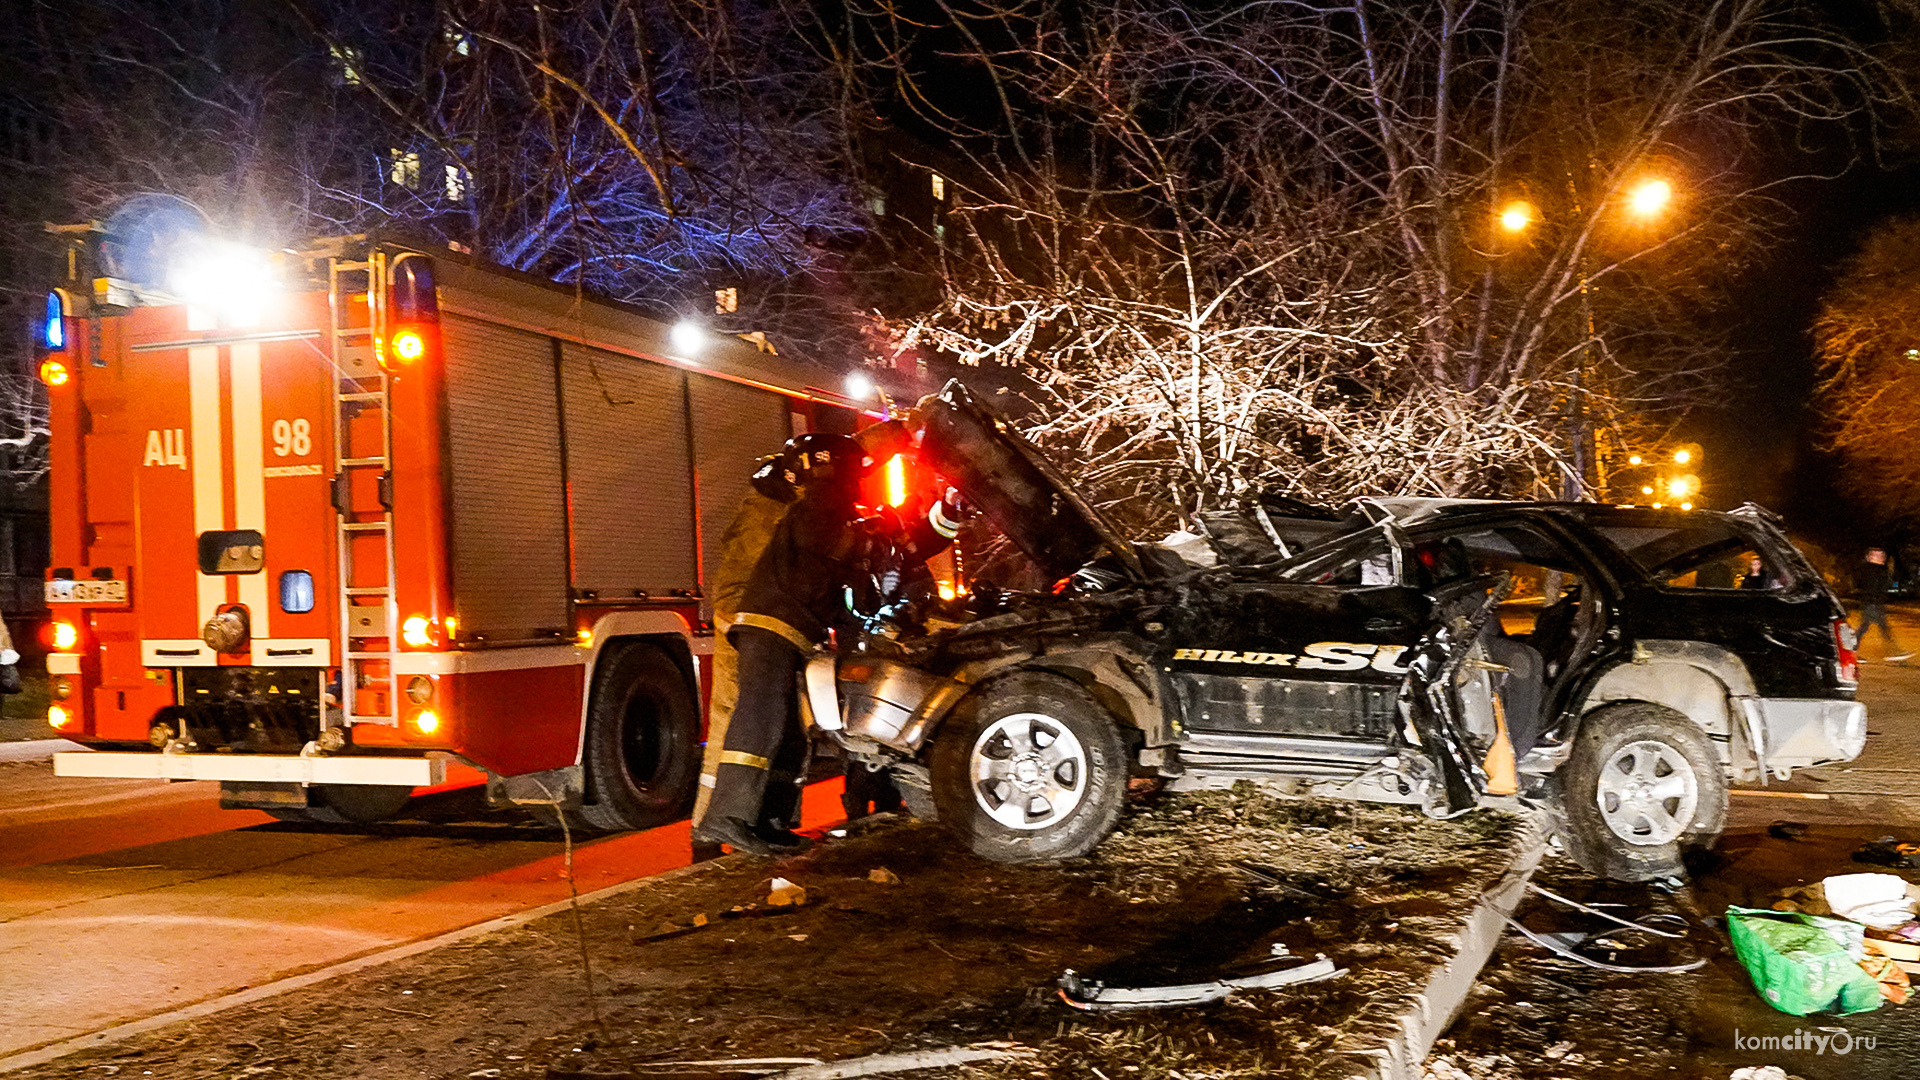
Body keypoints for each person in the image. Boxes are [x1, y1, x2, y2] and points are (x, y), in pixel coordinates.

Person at [691, 432, 881, 856]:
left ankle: (769, 820)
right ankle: (728, 817)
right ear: (841, 471)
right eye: (857, 474)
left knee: (790, 733)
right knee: (760, 718)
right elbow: (835, 569)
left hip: (787, 628)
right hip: (772, 624)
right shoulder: (822, 505)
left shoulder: (825, 507)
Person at [689, 453, 798, 860]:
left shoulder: (762, 508)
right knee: (740, 723)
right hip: (746, 624)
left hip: (746, 620)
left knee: (752, 722)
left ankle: (735, 823)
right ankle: (711, 828)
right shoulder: (768, 517)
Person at [1855, 547, 1910, 662]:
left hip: (1871, 603)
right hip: (1872, 603)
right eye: (1878, 555)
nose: (1882, 557)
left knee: (1864, 628)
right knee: (1883, 628)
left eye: (1882, 555)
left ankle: (1851, 652)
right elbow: (1875, 588)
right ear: (1870, 557)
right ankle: (1893, 652)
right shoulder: (1871, 571)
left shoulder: (1873, 570)